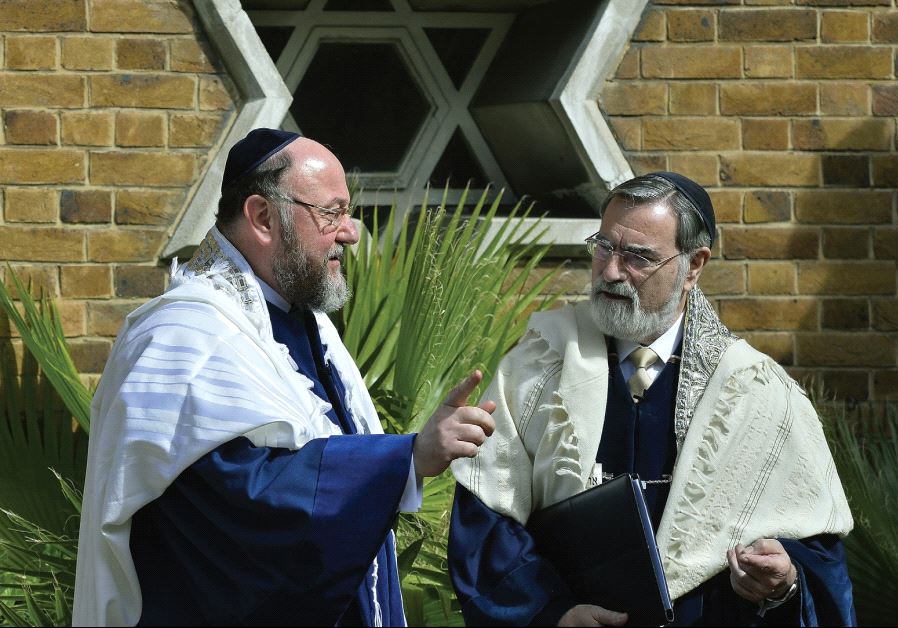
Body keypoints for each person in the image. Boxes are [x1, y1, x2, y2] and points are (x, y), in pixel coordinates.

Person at [73, 128, 496, 626]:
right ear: (263, 217)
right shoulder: (182, 337)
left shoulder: (305, 323)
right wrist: (405, 458)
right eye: (331, 212)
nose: (351, 231)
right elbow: (240, 504)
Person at [448, 172, 856, 626]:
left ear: (694, 265)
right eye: (603, 246)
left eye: (637, 256)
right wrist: (553, 613)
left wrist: (785, 580)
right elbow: (484, 522)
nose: (609, 271)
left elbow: (820, 557)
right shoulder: (537, 365)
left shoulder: (757, 391)